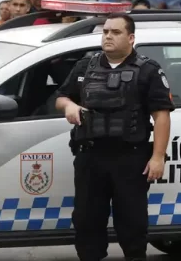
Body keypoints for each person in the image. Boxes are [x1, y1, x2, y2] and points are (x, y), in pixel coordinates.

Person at [54, 13, 173, 261]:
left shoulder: (147, 70)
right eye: (106, 31)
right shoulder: (85, 66)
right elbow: (61, 97)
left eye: (115, 32)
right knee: (87, 221)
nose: (108, 36)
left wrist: (158, 157)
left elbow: (161, 116)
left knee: (132, 223)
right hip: (90, 156)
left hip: (129, 159)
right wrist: (69, 107)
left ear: (131, 38)